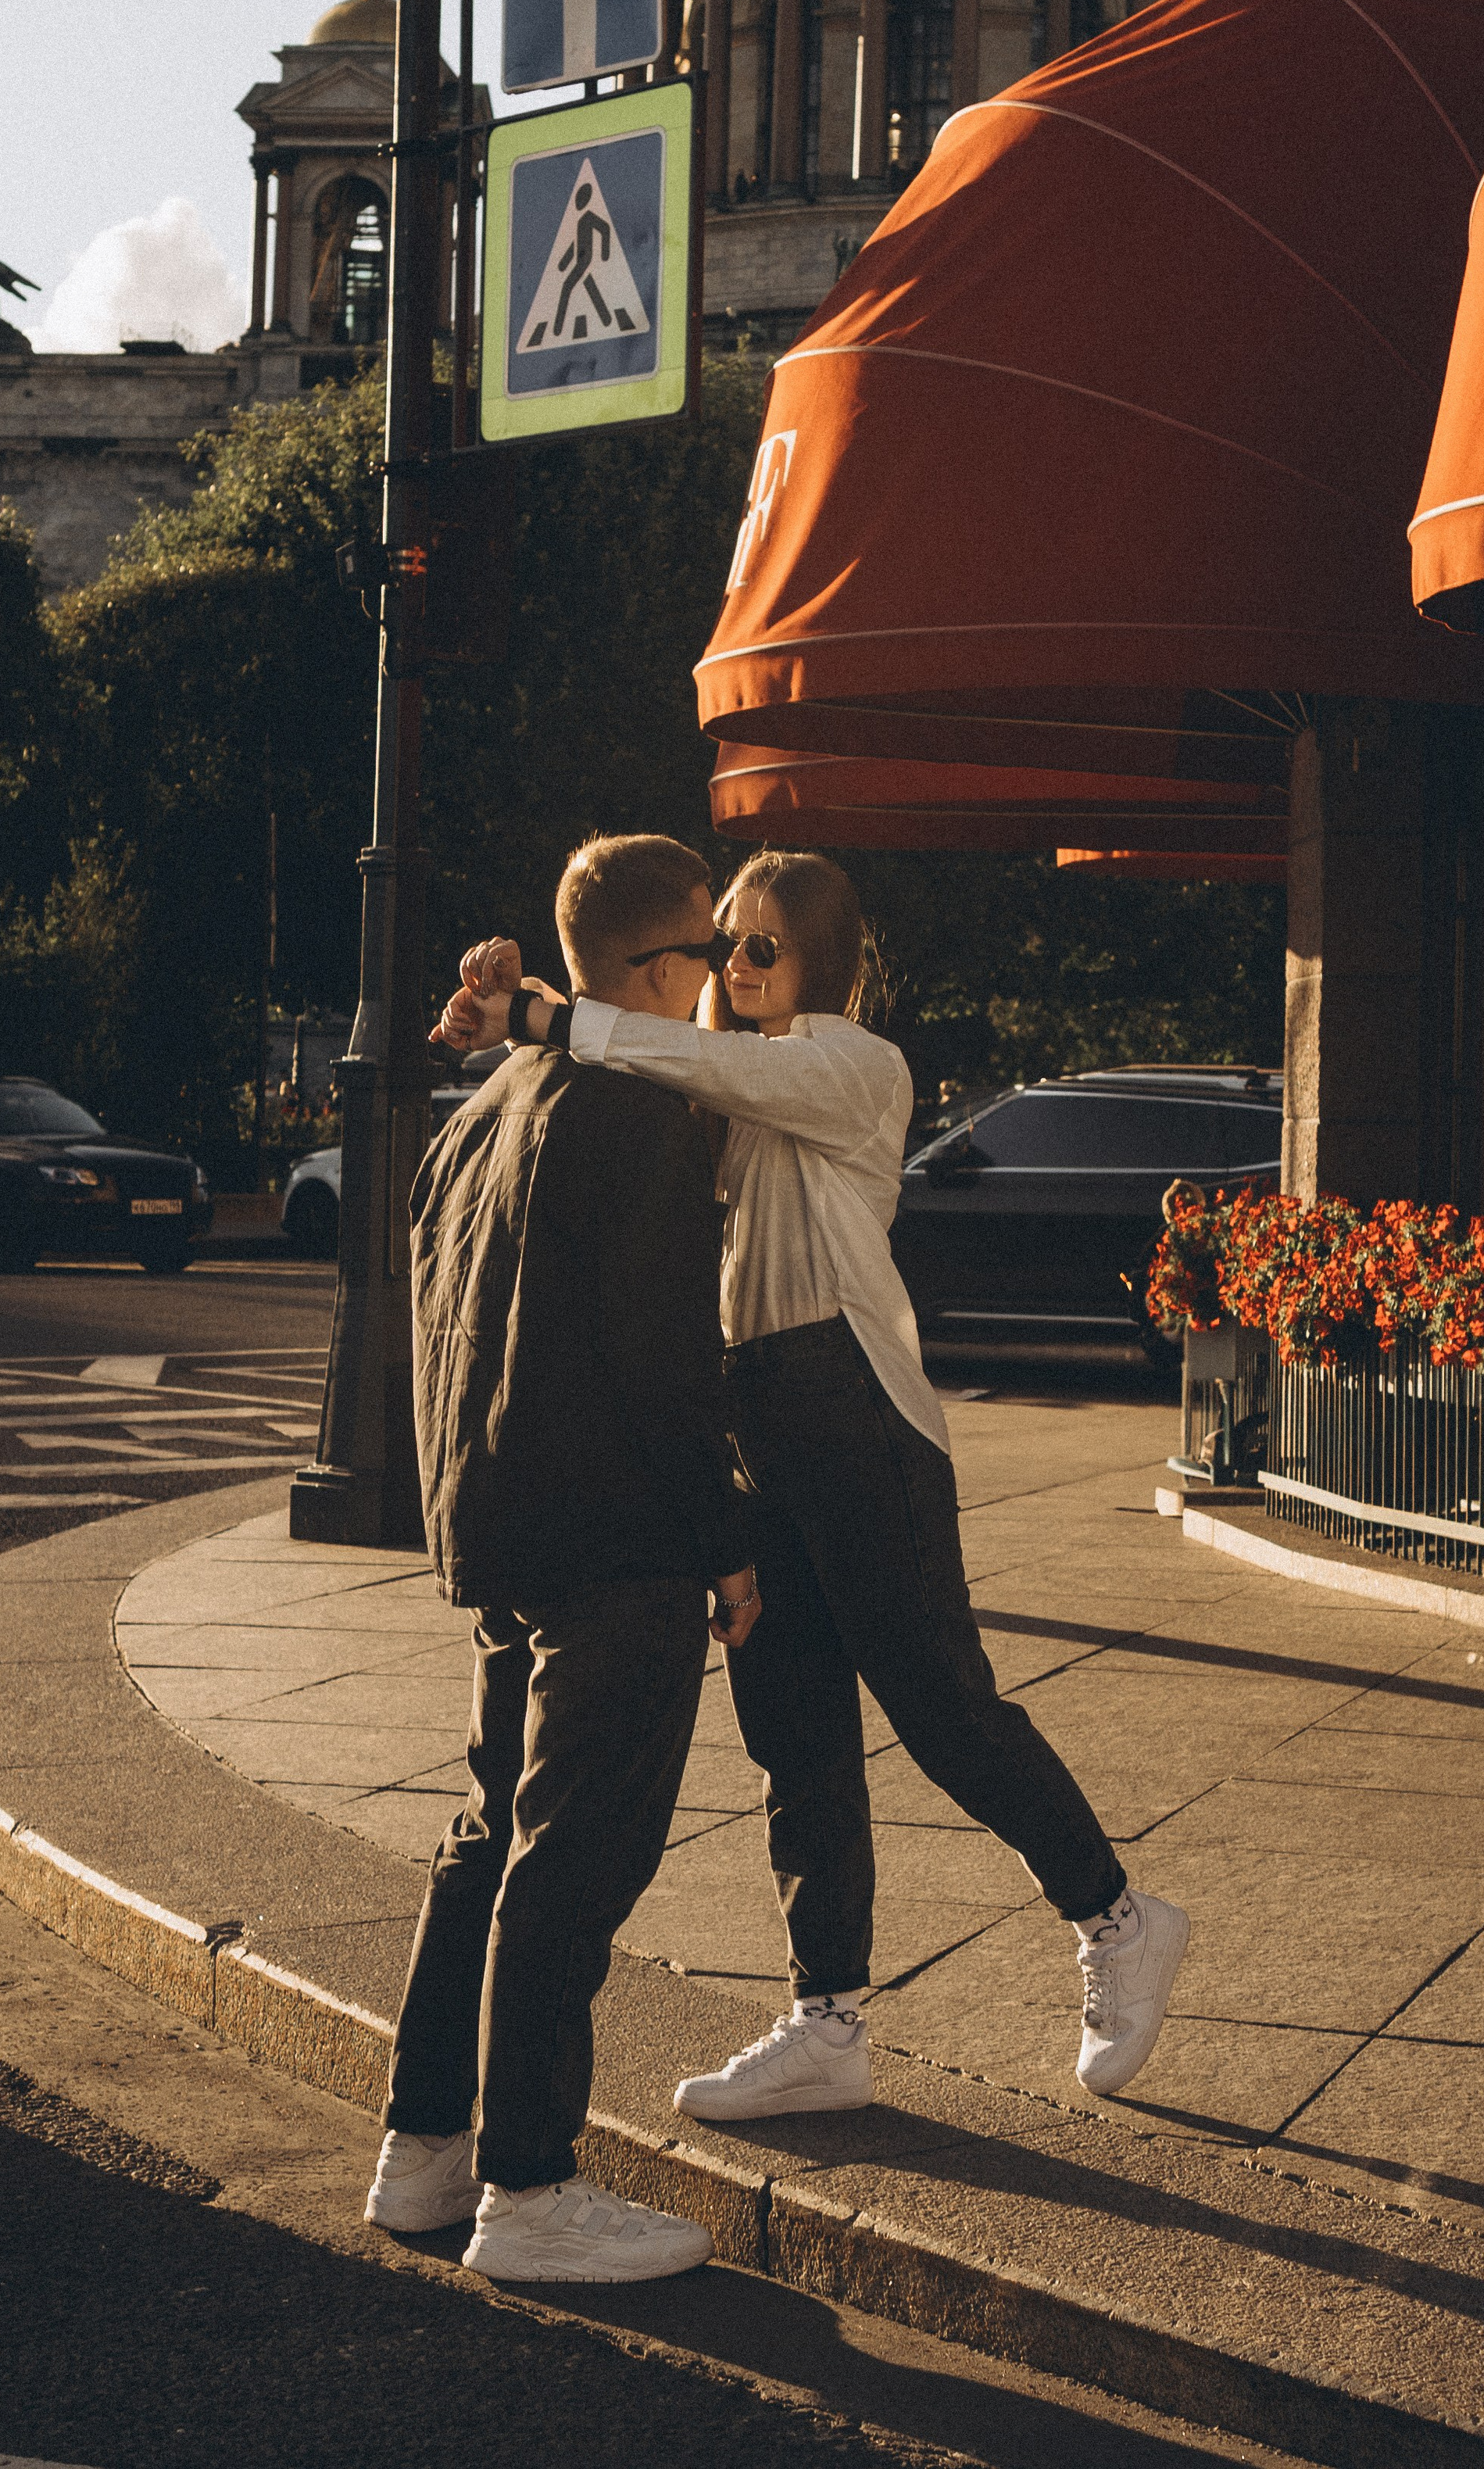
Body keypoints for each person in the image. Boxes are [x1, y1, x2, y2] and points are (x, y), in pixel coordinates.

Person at [434, 848, 1189, 2123]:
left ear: (821, 966)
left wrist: (557, 1012)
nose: (731, 964)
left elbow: (705, 1059)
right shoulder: (715, 1090)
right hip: (757, 1429)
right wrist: (489, 1028)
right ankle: (826, 2021)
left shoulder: (847, 1065)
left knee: (944, 1710)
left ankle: (1117, 1916)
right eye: (722, 939)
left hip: (859, 1425)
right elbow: (614, 1106)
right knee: (796, 1739)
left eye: (760, 947)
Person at [366, 833, 761, 2282]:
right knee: (574, 1861)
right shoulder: (645, 1114)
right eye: (712, 955)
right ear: (660, 970)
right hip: (617, 1543)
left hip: (505, 1528)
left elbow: (430, 1309)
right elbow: (667, 1362)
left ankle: (425, 2151)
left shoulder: (491, 1105)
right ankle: (529, 2188)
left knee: (487, 1834)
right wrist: (725, 1539)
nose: (722, 980)